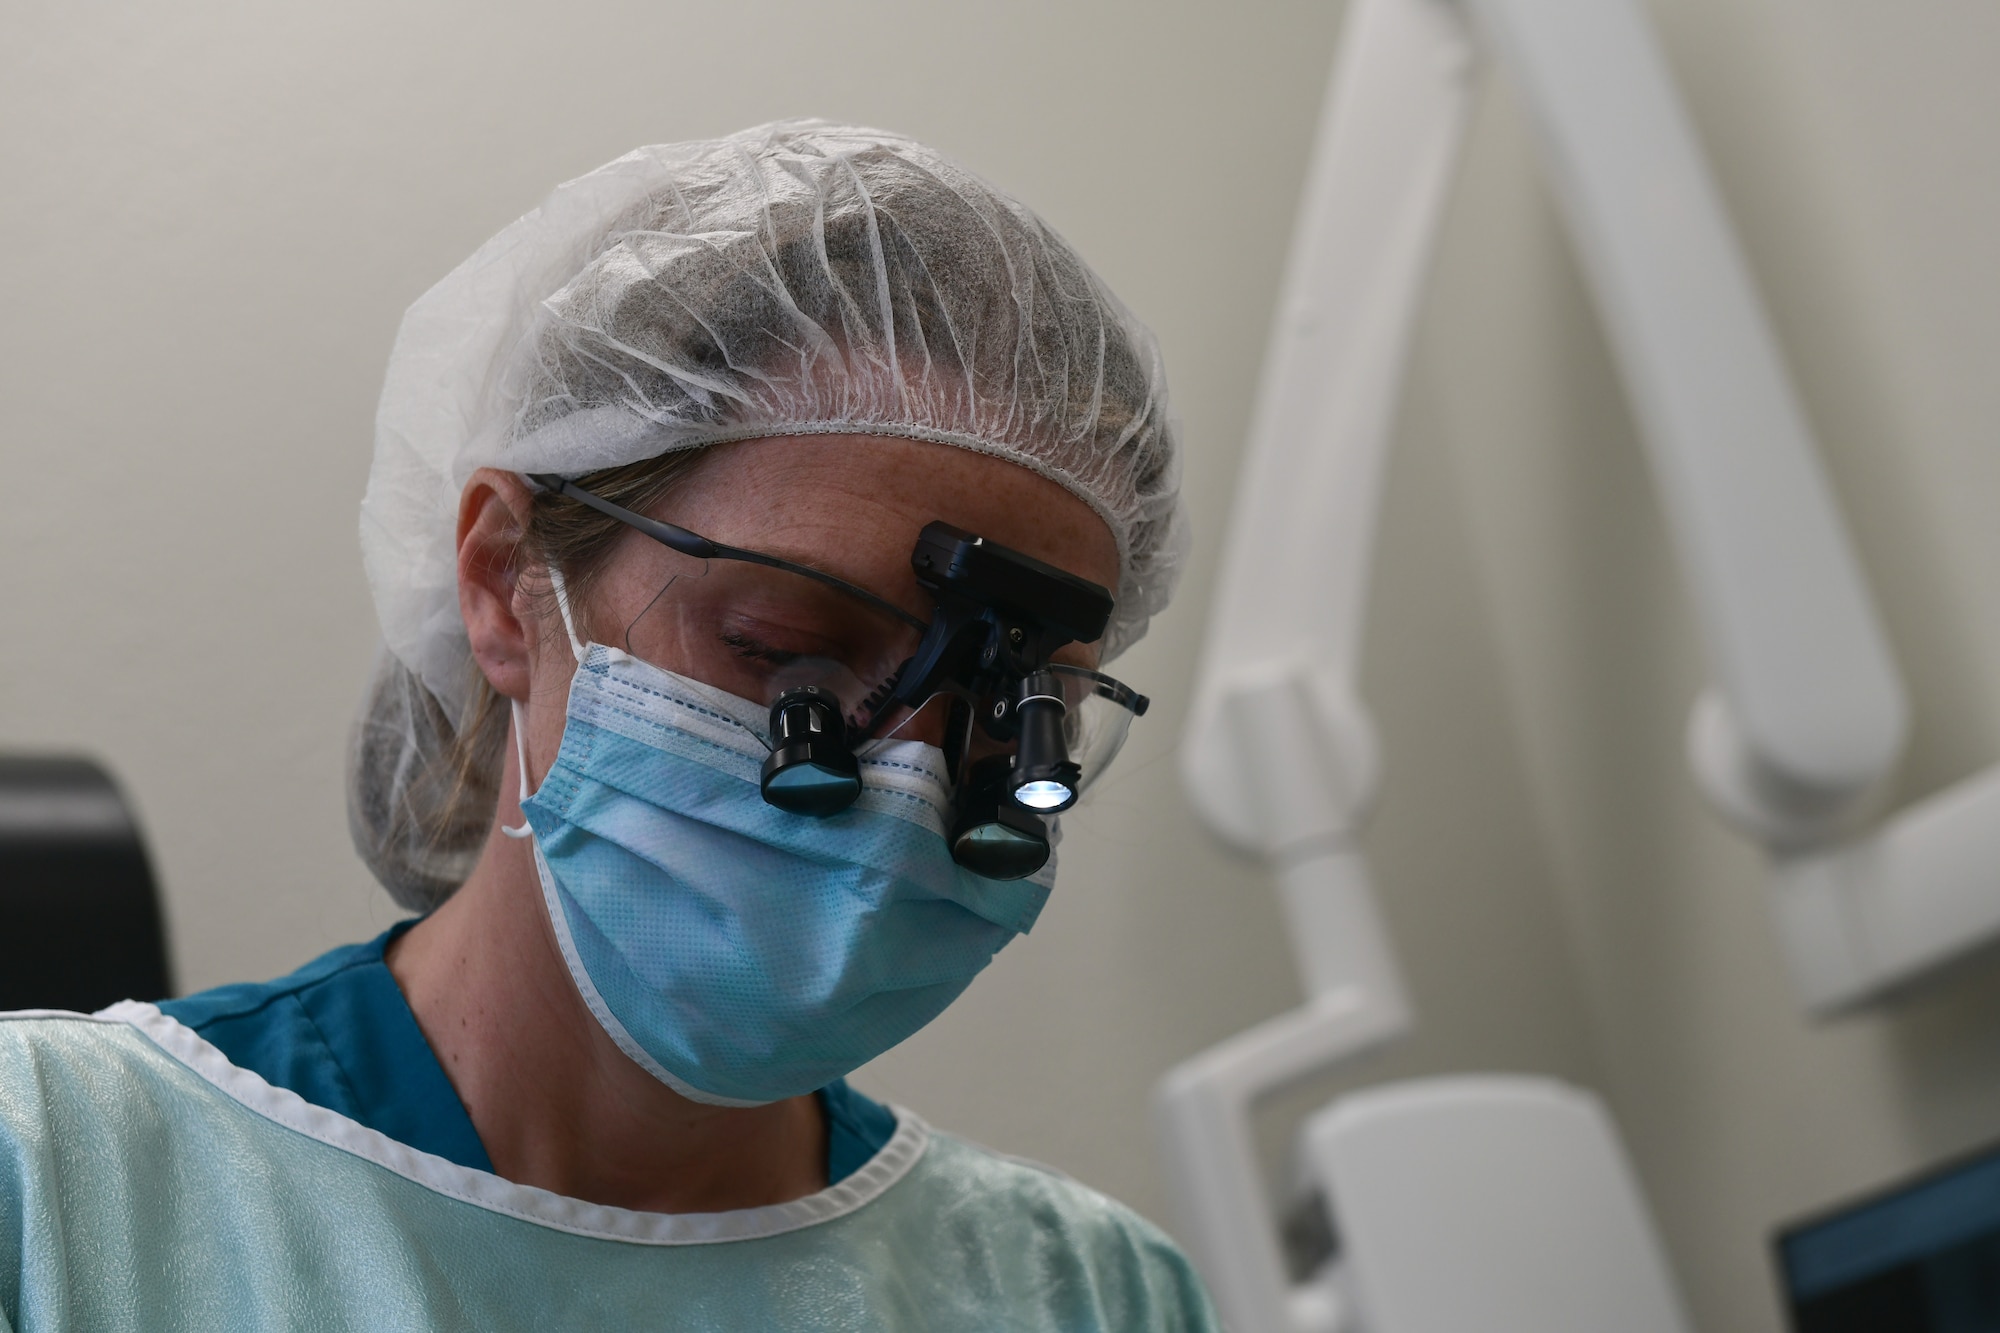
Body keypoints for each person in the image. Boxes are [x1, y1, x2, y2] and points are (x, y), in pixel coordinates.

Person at [0, 122, 1216, 1329]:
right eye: (781, 648)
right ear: (501, 582)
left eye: (1016, 713)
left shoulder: (1088, 1293)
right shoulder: (49, 1180)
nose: (903, 795)